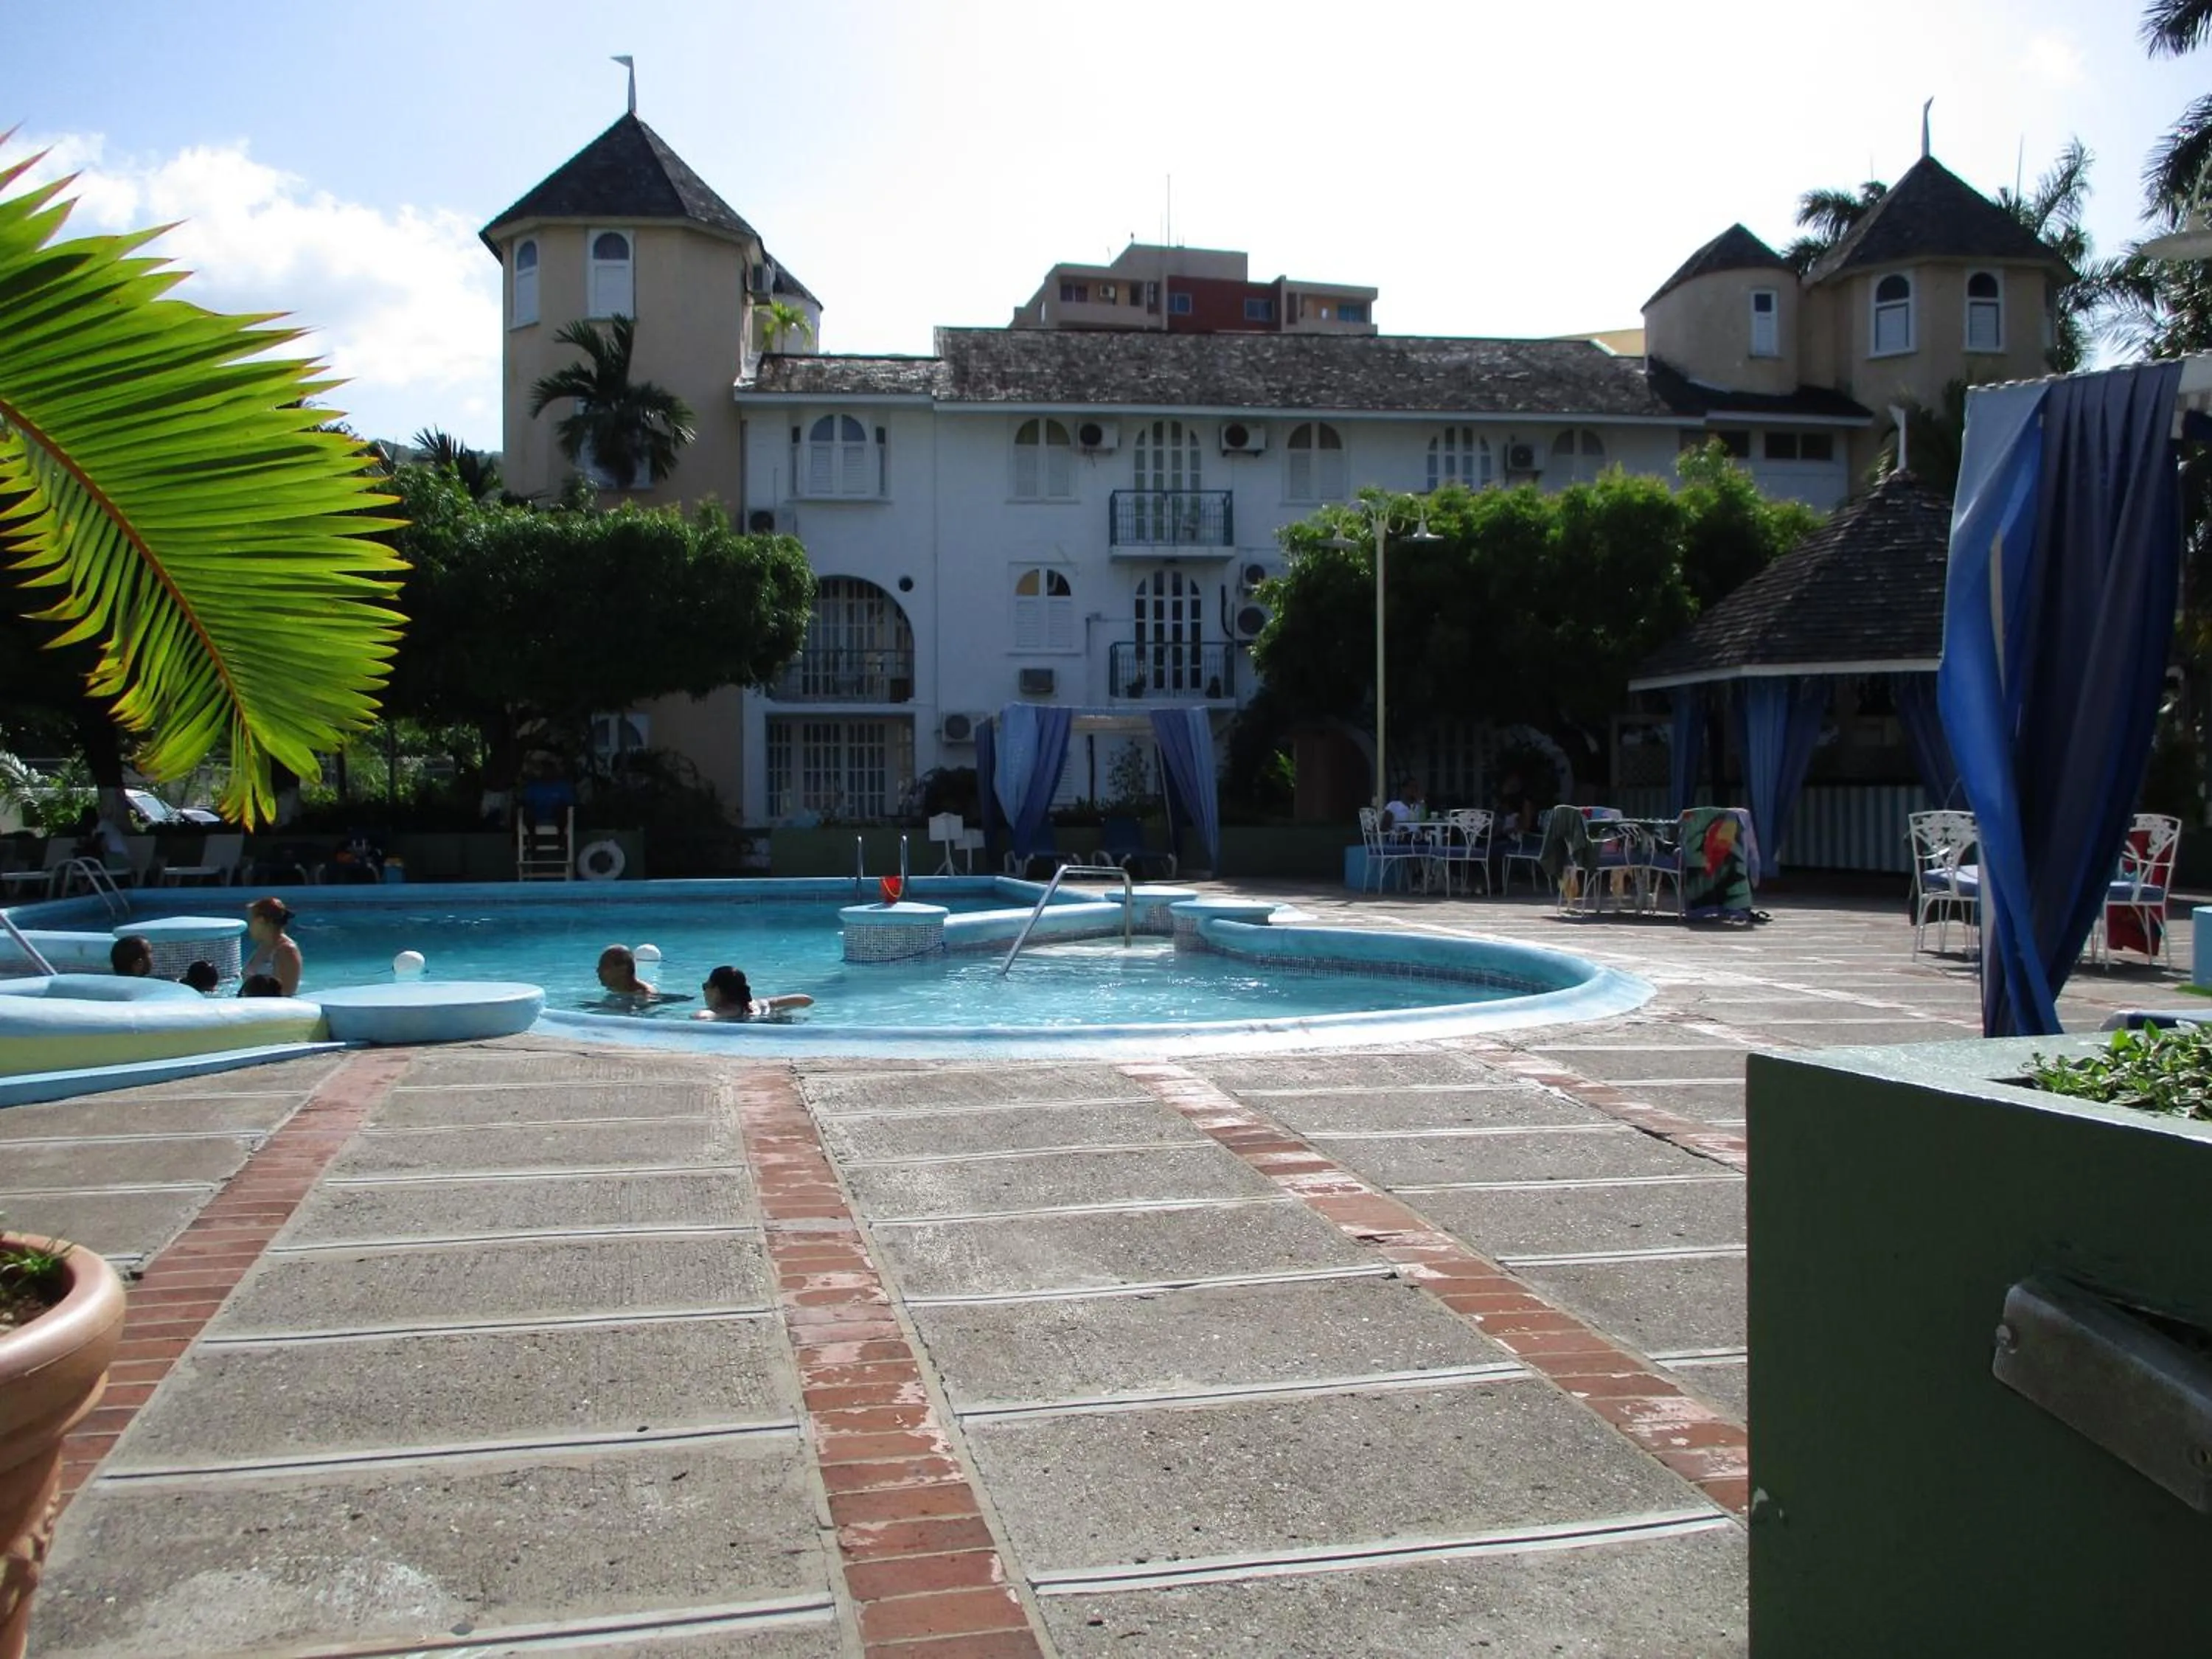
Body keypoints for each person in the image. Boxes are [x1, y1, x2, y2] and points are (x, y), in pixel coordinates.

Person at [694, 965, 814, 1022]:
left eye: (705, 986)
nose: (704, 991)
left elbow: (700, 1017)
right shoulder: (759, 1005)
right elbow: (806, 1000)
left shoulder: (717, 1013)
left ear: (716, 990)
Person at [244, 897, 303, 995]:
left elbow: (287, 992)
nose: (249, 926)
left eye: (251, 921)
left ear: (261, 921)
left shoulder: (286, 950)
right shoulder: (264, 946)